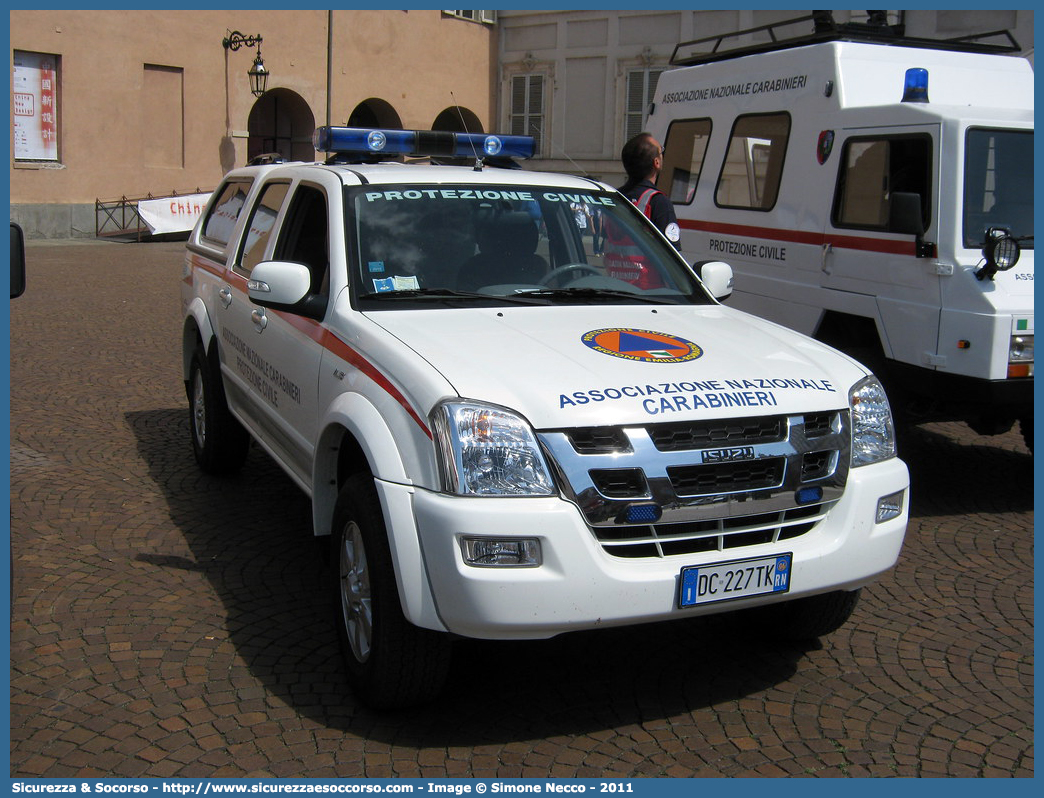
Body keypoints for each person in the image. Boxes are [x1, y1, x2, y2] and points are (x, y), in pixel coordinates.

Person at [618, 132, 681, 247]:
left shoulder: (614, 197)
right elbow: (671, 256)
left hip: (612, 264)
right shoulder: (659, 202)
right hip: (646, 266)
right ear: (656, 162)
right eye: (661, 150)